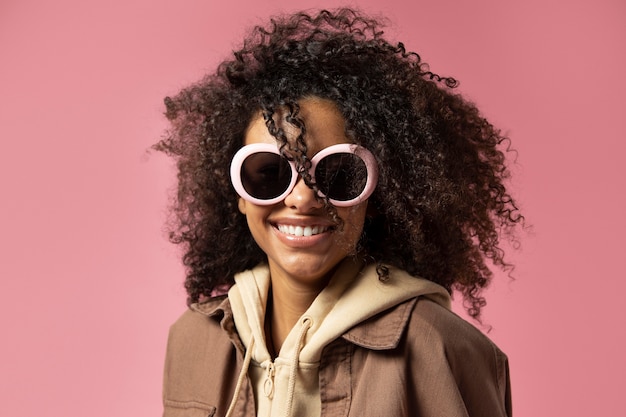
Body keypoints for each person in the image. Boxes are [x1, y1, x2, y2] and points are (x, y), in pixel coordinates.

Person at [156, 7, 522, 417]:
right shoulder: (192, 340)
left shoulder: (439, 347)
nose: (302, 198)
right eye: (268, 172)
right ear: (238, 195)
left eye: (338, 175)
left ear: (376, 194)